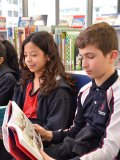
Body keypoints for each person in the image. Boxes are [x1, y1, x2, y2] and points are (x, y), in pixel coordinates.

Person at [34, 22, 120, 160]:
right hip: (75, 148)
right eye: (82, 57)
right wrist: (49, 134)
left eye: (90, 57)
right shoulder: (85, 91)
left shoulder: (117, 95)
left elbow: (110, 151)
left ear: (112, 56)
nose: (84, 64)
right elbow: (76, 131)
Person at [12, 31, 75, 133]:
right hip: (20, 136)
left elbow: (54, 129)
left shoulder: (59, 90)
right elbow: (13, 115)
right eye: (25, 55)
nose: (28, 60)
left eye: (34, 55)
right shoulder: (23, 84)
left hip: (41, 143)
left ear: (48, 56)